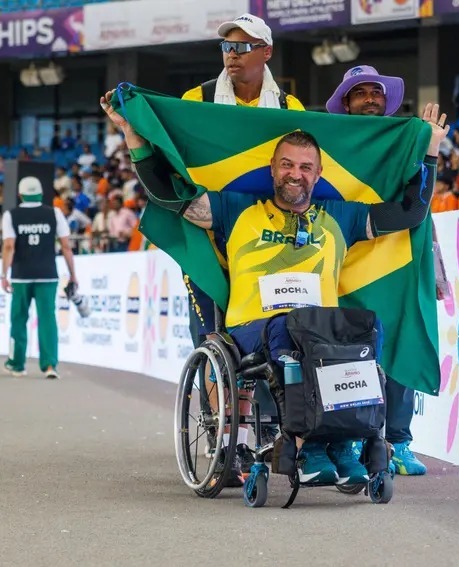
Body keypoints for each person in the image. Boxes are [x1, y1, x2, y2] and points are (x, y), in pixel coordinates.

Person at [101, 88, 447, 486]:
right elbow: (169, 195)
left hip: (316, 327)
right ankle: (311, 445)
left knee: (366, 328)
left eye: (304, 167)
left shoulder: (341, 216)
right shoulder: (235, 208)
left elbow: (410, 211)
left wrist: (431, 151)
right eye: (286, 164)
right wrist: (133, 136)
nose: (294, 174)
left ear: (318, 174)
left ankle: (354, 442)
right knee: (292, 332)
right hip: (257, 327)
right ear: (272, 168)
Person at [181, 12, 306, 477]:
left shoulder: (289, 106)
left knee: (273, 337)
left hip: (268, 245)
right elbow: (169, 150)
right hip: (209, 242)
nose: (232, 56)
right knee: (215, 341)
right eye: (226, 48)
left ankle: (275, 432)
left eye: (242, 47)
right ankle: (224, 436)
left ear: (266, 52)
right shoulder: (195, 100)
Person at [325, 65, 444, 476]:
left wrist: (428, 148)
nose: (371, 98)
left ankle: (398, 441)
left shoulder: (401, 139)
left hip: (394, 257)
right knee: (347, 358)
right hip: (344, 260)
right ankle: (352, 437)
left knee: (398, 349)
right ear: (345, 102)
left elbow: (418, 198)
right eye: (360, 93)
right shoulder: (327, 141)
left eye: (376, 92)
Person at [2, 177, 77, 379]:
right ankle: (50, 365)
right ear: (42, 194)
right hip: (47, 274)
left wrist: (4, 274)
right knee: (47, 319)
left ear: (20, 194)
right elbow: (66, 246)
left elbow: (9, 246)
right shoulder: (54, 213)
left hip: (21, 275)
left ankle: (17, 364)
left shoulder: (11, 215)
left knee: (18, 319)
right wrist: (73, 274)